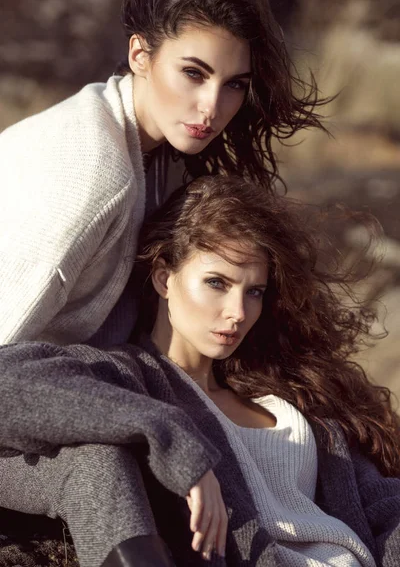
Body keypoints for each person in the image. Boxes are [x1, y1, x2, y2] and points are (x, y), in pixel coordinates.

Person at [1, 175, 400, 567]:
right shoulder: (133, 378)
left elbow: (378, 502)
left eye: (254, 292)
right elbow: (9, 382)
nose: (238, 313)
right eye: (216, 282)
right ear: (164, 279)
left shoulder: (287, 390)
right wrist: (174, 440)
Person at [0, 0, 327, 347]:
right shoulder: (91, 174)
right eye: (193, 73)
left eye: (235, 84)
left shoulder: (157, 149)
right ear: (139, 55)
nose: (212, 107)